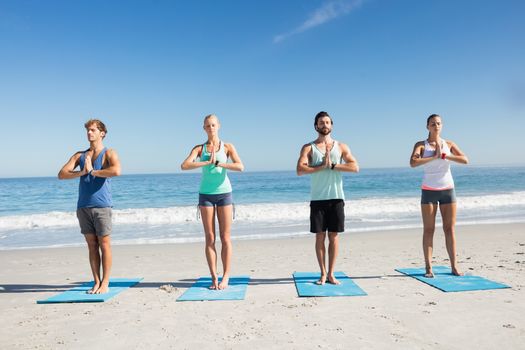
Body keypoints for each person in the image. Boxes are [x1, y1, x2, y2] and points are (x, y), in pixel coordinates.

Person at [181, 114, 244, 290]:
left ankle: (225, 277)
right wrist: (205, 162)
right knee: (210, 238)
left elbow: (240, 166)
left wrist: (219, 163)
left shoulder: (228, 147)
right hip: (206, 195)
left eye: (213, 125)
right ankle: (214, 277)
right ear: (204, 128)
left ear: (219, 126)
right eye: (208, 126)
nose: (211, 128)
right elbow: (184, 165)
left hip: (224, 193)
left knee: (225, 237)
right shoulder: (199, 149)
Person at [58, 119, 121, 294]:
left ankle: (105, 282)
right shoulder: (80, 155)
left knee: (105, 243)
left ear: (102, 133)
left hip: (102, 206)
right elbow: (62, 174)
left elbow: (116, 171)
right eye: (87, 130)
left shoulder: (109, 152)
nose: (89, 133)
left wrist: (93, 171)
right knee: (91, 245)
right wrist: (82, 172)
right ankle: (96, 281)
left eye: (93, 130)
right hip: (83, 206)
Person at [296, 111, 359, 285]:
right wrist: (320, 167)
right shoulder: (308, 147)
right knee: (319, 237)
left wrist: (332, 165)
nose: (325, 125)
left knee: (334, 236)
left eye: (327, 122)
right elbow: (299, 170)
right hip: (318, 198)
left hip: (336, 197)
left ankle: (331, 273)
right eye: (321, 123)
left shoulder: (341, 146)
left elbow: (355, 167)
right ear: (316, 126)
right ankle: (322, 273)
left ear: (331, 125)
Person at [410, 114, 469, 278]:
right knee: (429, 230)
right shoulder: (421, 145)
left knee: (449, 229)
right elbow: (413, 163)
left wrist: (445, 156)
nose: (436, 126)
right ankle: (429, 268)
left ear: (442, 126)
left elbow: (465, 159)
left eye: (438, 123)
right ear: (427, 126)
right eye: (433, 123)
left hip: (447, 189)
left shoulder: (448, 144)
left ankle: (454, 266)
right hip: (429, 189)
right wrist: (433, 157)